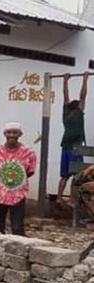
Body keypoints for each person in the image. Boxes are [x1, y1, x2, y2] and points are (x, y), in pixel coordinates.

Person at [0, 122, 37, 236]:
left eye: (15, 132)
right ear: (4, 134)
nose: (12, 135)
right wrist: (4, 182)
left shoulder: (28, 152)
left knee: (17, 226)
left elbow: (30, 171)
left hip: (18, 194)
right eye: (9, 132)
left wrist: (16, 182)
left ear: (20, 134)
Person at [57, 72, 89, 206]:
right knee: (77, 176)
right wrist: (85, 79)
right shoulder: (78, 113)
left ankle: (59, 197)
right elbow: (83, 96)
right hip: (75, 148)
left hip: (65, 148)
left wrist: (65, 81)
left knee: (64, 175)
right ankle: (72, 199)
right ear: (78, 107)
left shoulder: (66, 113)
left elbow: (65, 96)